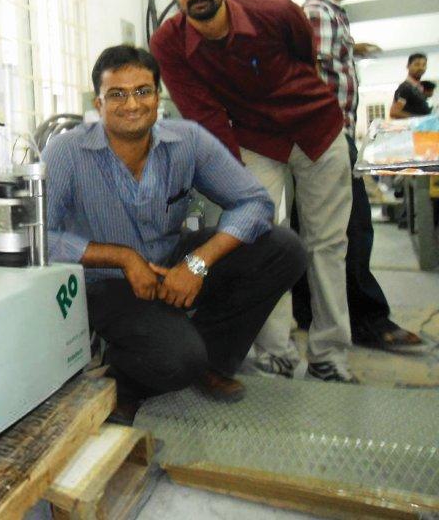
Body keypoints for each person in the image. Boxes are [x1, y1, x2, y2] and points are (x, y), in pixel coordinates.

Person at [44, 45, 306, 416]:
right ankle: (123, 379)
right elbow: (40, 237)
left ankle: (211, 362)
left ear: (157, 97)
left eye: (142, 91)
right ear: (98, 104)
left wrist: (197, 264)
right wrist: (122, 258)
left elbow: (255, 202)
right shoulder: (66, 152)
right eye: (117, 94)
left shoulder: (187, 141)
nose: (131, 104)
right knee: (176, 359)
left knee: (283, 249)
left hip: (170, 264)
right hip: (106, 281)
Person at [150, 0, 356, 382]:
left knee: (326, 246)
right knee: (259, 240)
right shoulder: (168, 44)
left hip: (317, 131)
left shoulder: (276, 10)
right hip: (254, 141)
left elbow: (305, 54)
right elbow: (204, 116)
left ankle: (329, 356)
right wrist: (237, 188)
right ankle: (275, 354)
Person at [300, 0, 423, 352]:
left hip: (326, 138)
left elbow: (323, 60)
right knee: (353, 230)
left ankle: (310, 312)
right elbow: (310, 69)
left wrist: (354, 49)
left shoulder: (322, 14)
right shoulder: (319, 13)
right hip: (330, 138)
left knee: (319, 230)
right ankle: (368, 319)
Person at [390, 54, 431, 118]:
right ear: (408, 66)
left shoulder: (417, 87)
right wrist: (420, 119)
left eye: (424, 65)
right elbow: (394, 112)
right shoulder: (405, 88)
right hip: (416, 124)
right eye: (417, 64)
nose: (421, 68)